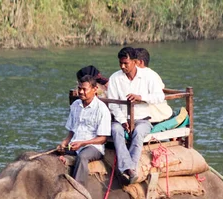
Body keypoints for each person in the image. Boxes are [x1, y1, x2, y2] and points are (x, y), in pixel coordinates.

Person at [106, 47, 165, 184]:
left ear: (135, 62)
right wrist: (122, 121)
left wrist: (141, 97)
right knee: (116, 130)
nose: (122, 66)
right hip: (121, 119)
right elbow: (113, 104)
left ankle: (130, 168)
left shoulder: (147, 76)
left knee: (138, 133)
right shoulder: (115, 78)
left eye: (126, 63)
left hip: (142, 119)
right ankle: (129, 169)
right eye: (120, 63)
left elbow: (159, 96)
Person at [58, 75, 111, 186]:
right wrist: (64, 143)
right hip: (75, 144)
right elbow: (72, 131)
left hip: (92, 147)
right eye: (79, 88)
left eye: (84, 89)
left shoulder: (101, 109)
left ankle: (78, 188)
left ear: (94, 89)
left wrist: (82, 143)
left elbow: (102, 139)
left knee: (83, 157)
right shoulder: (75, 105)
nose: (81, 92)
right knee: (55, 152)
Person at [135, 48, 173, 123]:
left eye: (133, 62)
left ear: (140, 62)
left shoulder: (149, 75)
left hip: (154, 114)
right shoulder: (152, 74)